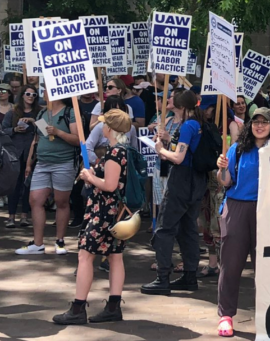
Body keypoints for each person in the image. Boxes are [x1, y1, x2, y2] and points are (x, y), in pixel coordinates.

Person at [52, 109, 132, 325]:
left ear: (110, 128)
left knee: (85, 255)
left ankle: (78, 308)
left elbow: (110, 185)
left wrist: (89, 176)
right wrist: (94, 175)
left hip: (104, 212)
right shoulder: (124, 150)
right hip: (116, 212)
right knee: (115, 256)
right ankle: (113, 307)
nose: (101, 126)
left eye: (104, 123)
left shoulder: (115, 153)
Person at [215, 107, 270, 337]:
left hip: (268, 211)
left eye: (264, 122)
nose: (259, 126)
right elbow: (225, 181)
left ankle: (268, 315)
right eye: (255, 122)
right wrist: (221, 169)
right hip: (237, 207)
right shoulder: (237, 150)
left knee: (266, 267)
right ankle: (226, 315)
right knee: (230, 264)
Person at [142, 90, 207, 295]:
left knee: (165, 228)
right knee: (188, 229)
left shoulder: (188, 125)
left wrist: (160, 149)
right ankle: (189, 275)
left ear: (181, 107)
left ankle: (163, 277)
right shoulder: (199, 123)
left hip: (182, 180)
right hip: (197, 180)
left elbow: (178, 158)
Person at [16, 97, 80, 256]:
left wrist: (58, 132)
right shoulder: (42, 113)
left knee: (61, 202)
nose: (44, 91)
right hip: (42, 163)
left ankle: (60, 241)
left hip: (64, 163)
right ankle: (38, 243)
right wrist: (30, 162)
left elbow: (78, 140)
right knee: (35, 200)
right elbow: (38, 139)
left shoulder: (69, 112)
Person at [1, 85, 42, 229]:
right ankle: (11, 217)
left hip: (33, 155)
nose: (30, 96)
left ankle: (25, 215)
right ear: (22, 95)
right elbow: (3, 131)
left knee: (29, 186)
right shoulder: (12, 113)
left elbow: (45, 130)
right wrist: (14, 129)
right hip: (15, 154)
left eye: (34, 94)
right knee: (14, 186)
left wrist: (33, 122)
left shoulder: (40, 112)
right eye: (28, 93)